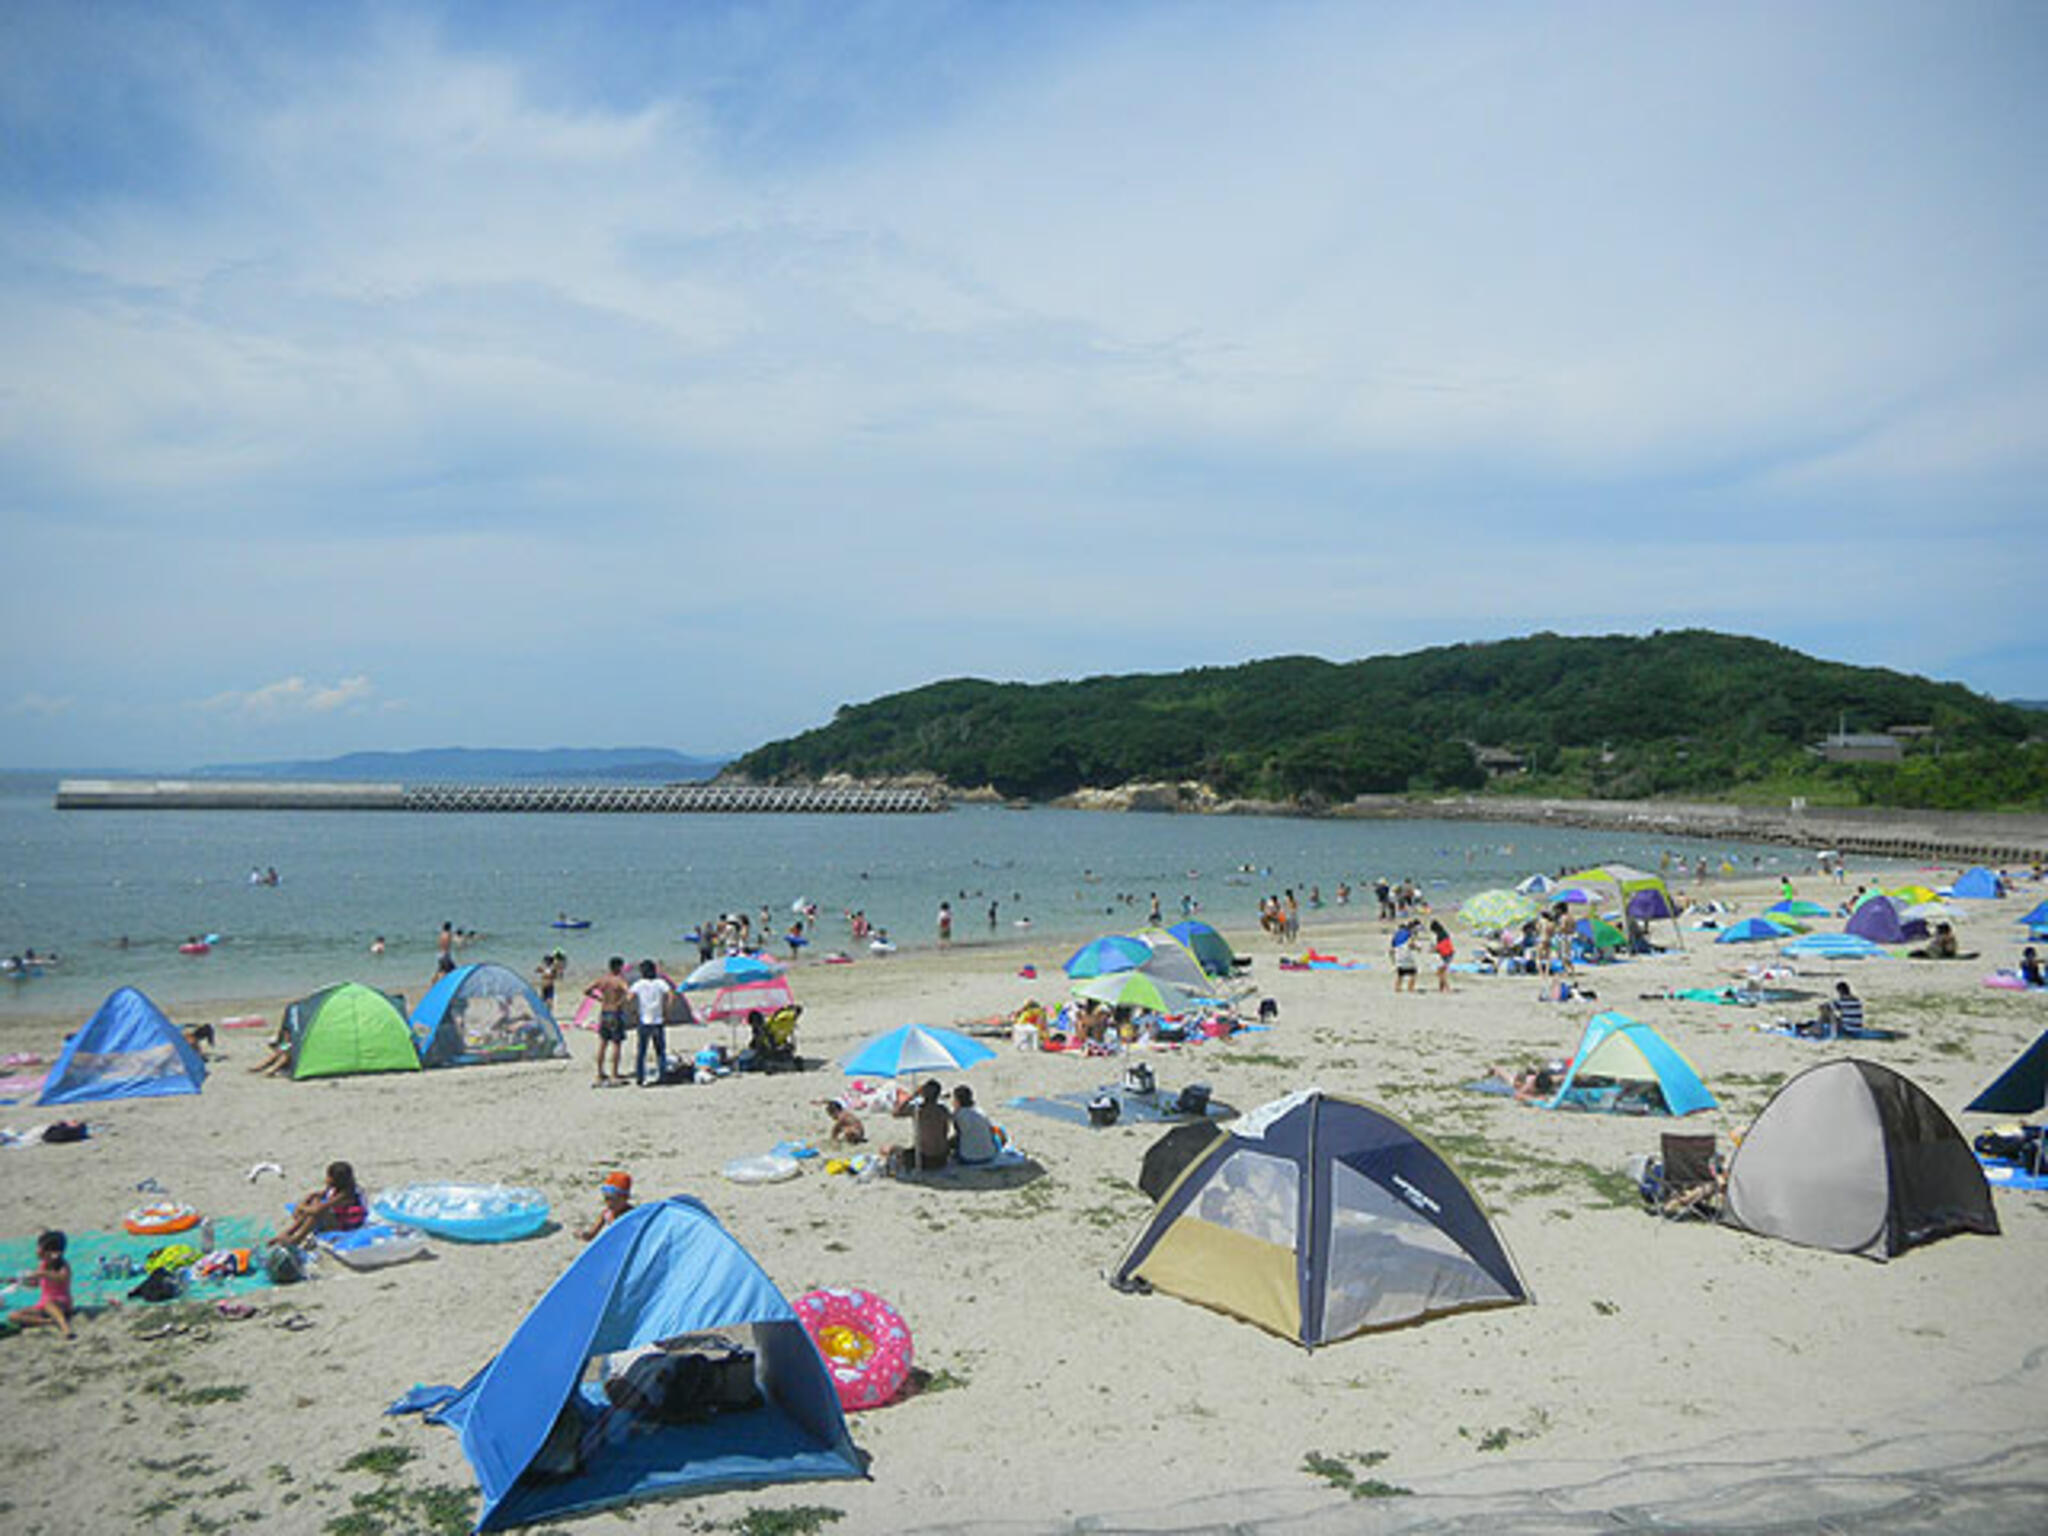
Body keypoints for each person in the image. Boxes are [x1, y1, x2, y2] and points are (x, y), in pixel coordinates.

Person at [273, 1161, 367, 1248]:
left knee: (318, 1213)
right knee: (314, 1201)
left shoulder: (346, 1193)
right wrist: (308, 1200)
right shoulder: (334, 1186)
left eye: (328, 1176)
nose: (326, 1179)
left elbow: (318, 1210)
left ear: (336, 1180)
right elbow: (320, 1195)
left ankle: (296, 1239)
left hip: (350, 1221)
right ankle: (288, 1232)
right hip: (339, 1213)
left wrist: (301, 1207)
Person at [10, 1230, 74, 1338]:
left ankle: (65, 1327)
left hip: (61, 1303)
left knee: (49, 1304)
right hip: (43, 1305)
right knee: (14, 1316)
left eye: (40, 1248)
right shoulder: (43, 1265)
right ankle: (48, 1322)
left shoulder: (63, 1265)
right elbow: (36, 1284)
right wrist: (22, 1282)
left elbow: (62, 1278)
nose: (37, 1251)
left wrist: (44, 1274)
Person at [586, 957, 631, 1085]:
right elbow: (628, 993)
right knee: (616, 1044)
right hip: (615, 1013)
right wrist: (620, 1002)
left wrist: (599, 999)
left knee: (603, 1044)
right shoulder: (619, 981)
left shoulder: (602, 980)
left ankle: (600, 1073)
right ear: (618, 967)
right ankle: (614, 1073)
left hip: (604, 1013)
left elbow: (587, 990)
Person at [628, 960, 673, 1087]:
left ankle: (640, 1078)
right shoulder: (660, 983)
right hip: (658, 1020)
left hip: (644, 1021)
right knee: (660, 1051)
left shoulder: (639, 984)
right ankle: (662, 1076)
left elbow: (629, 997)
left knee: (641, 1051)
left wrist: (633, 1011)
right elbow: (671, 995)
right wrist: (666, 1010)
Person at [892, 1079, 952, 1172]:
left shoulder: (918, 1110)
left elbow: (896, 1113)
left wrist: (913, 1095)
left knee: (893, 1150)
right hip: (942, 1158)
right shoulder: (943, 1110)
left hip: (923, 1159)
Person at [949, 1085, 999, 1165]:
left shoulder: (959, 1115)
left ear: (957, 1100)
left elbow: (959, 1135)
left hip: (968, 1157)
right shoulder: (980, 1111)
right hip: (989, 1155)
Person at [579, 1171, 633, 1241]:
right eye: (606, 1198)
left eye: (614, 1200)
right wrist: (584, 1235)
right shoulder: (607, 1214)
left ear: (625, 1198)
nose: (609, 1203)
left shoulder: (632, 1215)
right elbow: (591, 1235)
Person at [1390, 922, 1419, 993]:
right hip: (1406, 953)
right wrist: (1417, 948)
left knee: (1400, 973)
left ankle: (1397, 988)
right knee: (1413, 972)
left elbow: (1392, 946)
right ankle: (1410, 988)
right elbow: (1410, 944)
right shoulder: (1409, 933)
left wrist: (1393, 960)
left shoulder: (1397, 934)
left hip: (1398, 953)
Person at [1430, 920, 1455, 993]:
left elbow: (1439, 947)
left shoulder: (1439, 935)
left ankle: (1447, 988)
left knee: (1440, 973)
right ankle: (1441, 989)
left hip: (1444, 955)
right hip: (1450, 953)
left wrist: (1432, 950)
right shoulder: (1444, 933)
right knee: (1442, 972)